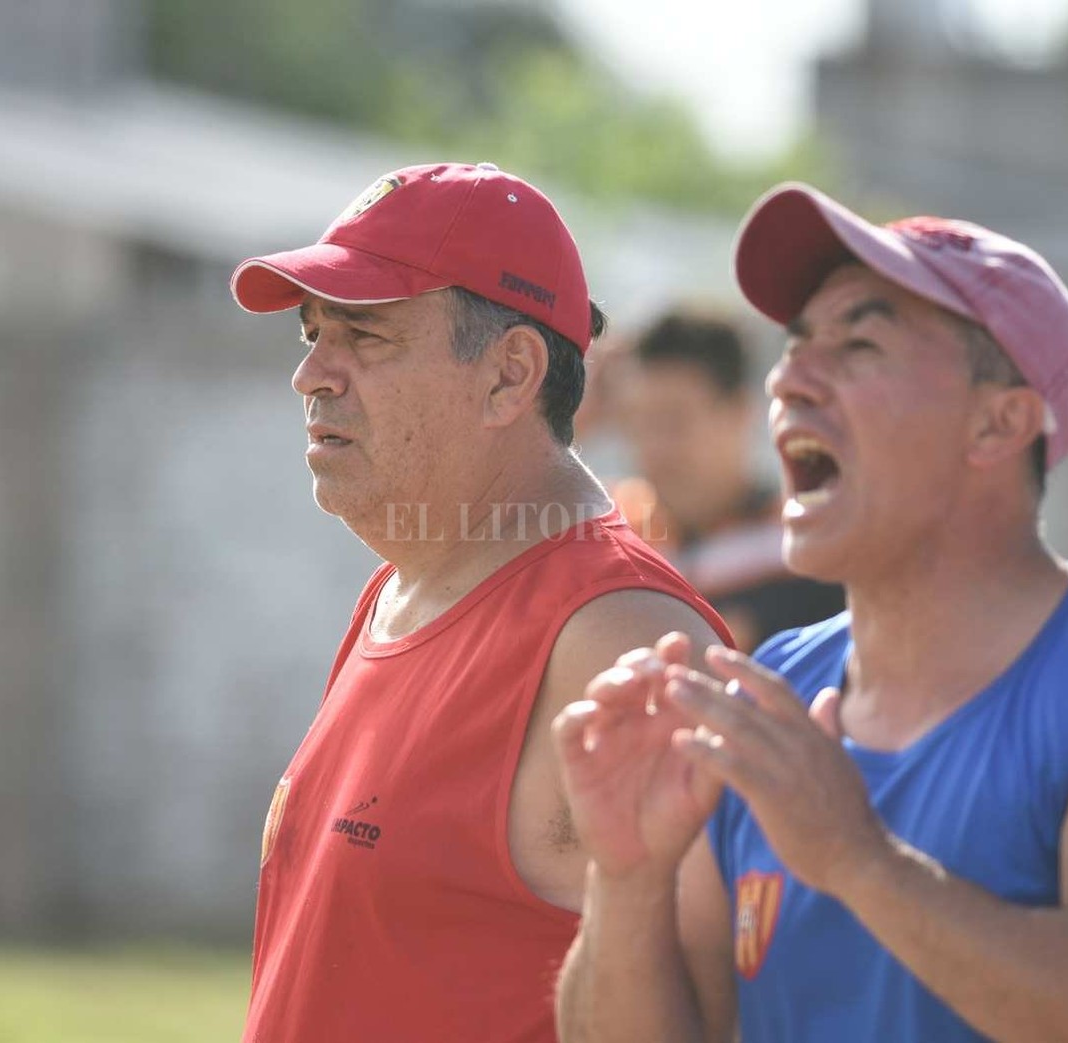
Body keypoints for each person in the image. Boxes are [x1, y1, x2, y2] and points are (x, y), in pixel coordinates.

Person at [553, 183, 1068, 1042]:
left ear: (999, 422)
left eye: (859, 342)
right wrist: (627, 877)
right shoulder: (765, 696)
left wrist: (860, 862)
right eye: (796, 345)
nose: (788, 377)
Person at [227, 161, 731, 1043]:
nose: (311, 374)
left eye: (365, 335)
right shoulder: (400, 588)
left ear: (509, 374)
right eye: (311, 333)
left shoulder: (621, 638)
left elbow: (716, 1021)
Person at [611, 309, 844, 650]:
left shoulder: (813, 552)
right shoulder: (606, 536)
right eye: (637, 423)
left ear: (741, 412)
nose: (653, 448)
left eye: (673, 420)